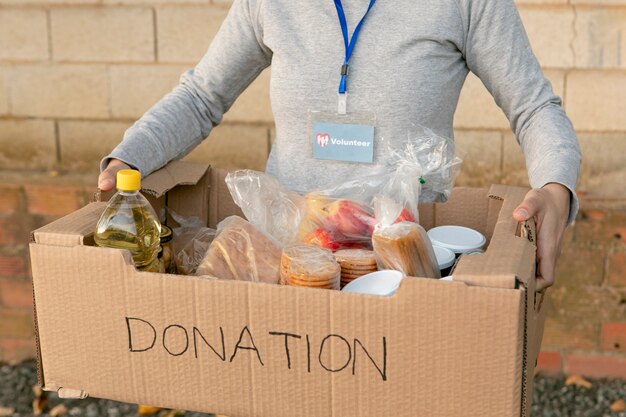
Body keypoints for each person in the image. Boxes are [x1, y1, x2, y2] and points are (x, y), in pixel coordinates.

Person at [97, 0, 581, 291]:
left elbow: (534, 106)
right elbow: (202, 95)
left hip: (403, 271)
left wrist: (556, 187)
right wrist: (129, 156)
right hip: (287, 267)